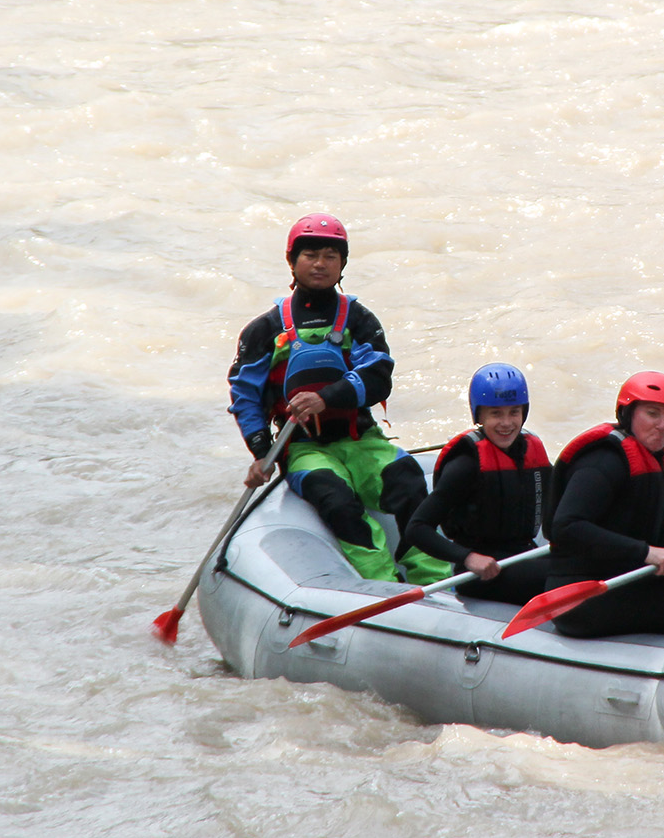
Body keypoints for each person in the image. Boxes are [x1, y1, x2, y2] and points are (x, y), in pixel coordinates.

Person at [226, 214, 451, 585]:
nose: (320, 264)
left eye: (331, 255)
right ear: (292, 261)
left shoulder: (359, 320)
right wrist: (262, 452)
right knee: (337, 499)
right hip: (303, 447)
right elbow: (245, 396)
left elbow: (378, 377)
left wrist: (325, 398)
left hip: (362, 439)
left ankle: (435, 579)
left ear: (342, 264)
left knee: (408, 480)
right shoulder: (264, 330)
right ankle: (383, 586)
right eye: (311, 254)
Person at [546, 372, 664, 639]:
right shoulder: (602, 462)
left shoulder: (657, 459)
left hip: (631, 577)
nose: (662, 425)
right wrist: (644, 552)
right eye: (652, 413)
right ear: (628, 413)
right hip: (586, 596)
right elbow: (565, 527)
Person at [404, 363, 553, 605]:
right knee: (559, 578)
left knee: (583, 567)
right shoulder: (465, 464)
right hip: (479, 573)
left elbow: (562, 503)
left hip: (524, 554)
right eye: (496, 414)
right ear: (479, 415)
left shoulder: (532, 452)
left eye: (514, 412)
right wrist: (469, 557)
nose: (506, 423)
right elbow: (417, 528)